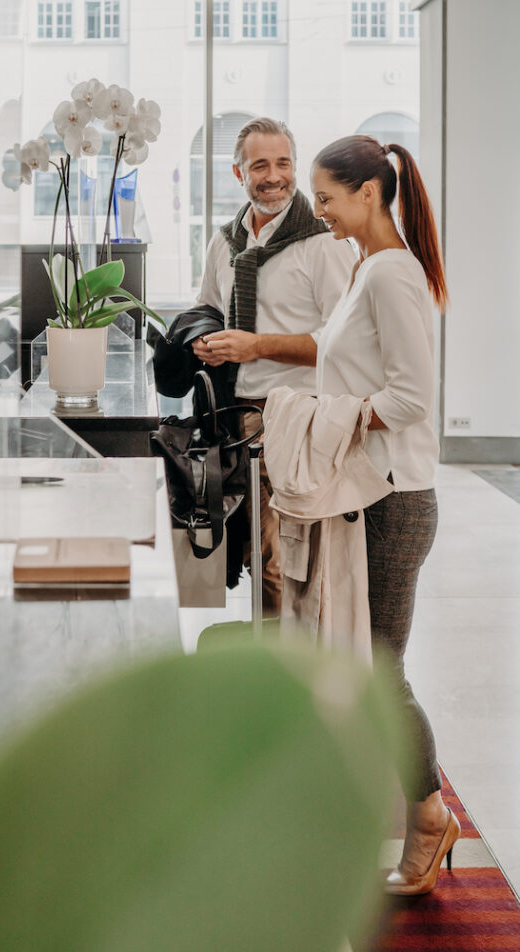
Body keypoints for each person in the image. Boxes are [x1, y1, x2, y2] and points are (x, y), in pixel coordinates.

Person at [309, 134, 459, 895]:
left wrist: (333, 417)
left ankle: (428, 814)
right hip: (366, 495)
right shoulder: (367, 267)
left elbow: (410, 399)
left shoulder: (393, 274)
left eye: (328, 197)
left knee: (381, 674)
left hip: (394, 502)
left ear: (370, 192)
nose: (320, 210)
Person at [194, 117, 354, 615]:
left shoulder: (324, 244)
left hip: (295, 417)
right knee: (246, 550)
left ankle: (286, 676)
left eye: (283, 163)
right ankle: (269, 655)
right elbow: (208, 312)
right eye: (259, 165)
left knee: (280, 559)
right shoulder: (224, 243)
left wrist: (257, 346)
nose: (274, 176)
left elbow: (345, 345)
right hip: (233, 419)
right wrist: (205, 342)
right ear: (237, 173)